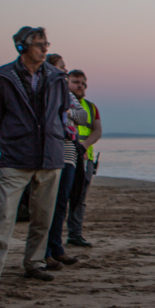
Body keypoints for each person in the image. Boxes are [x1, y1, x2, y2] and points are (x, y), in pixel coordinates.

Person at [0, 27, 71, 289]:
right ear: (21, 47)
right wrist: (14, 139)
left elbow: (63, 112)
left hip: (50, 155)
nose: (44, 49)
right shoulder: (3, 76)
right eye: (39, 44)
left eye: (46, 44)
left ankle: (35, 262)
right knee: (3, 215)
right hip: (16, 156)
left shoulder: (57, 76)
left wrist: (56, 137)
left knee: (43, 216)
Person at [44, 54, 83, 267]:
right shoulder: (44, 90)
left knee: (61, 203)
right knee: (46, 204)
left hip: (68, 152)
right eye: (62, 67)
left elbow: (83, 116)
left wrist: (66, 112)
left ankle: (56, 248)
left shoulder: (67, 94)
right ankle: (45, 251)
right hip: (49, 151)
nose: (65, 71)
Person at [65, 69, 101, 248]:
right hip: (65, 155)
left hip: (86, 158)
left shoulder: (91, 107)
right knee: (60, 196)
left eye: (83, 84)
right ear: (66, 82)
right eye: (76, 82)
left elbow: (97, 131)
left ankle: (75, 234)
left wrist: (84, 146)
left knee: (80, 198)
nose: (80, 86)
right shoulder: (60, 102)